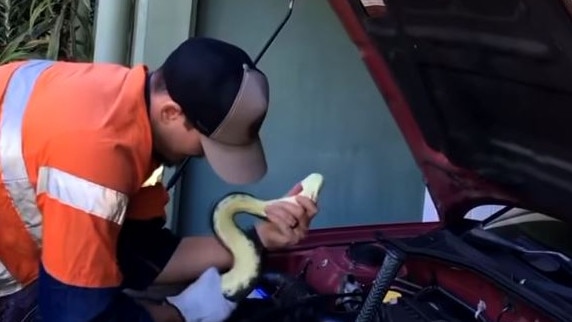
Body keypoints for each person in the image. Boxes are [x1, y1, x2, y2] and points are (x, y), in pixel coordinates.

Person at [0, 37, 319, 322]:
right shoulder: (93, 156)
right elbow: (76, 313)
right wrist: (179, 314)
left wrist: (259, 238)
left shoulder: (126, 108)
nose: (205, 156)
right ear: (171, 113)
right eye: (207, 144)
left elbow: (139, 253)